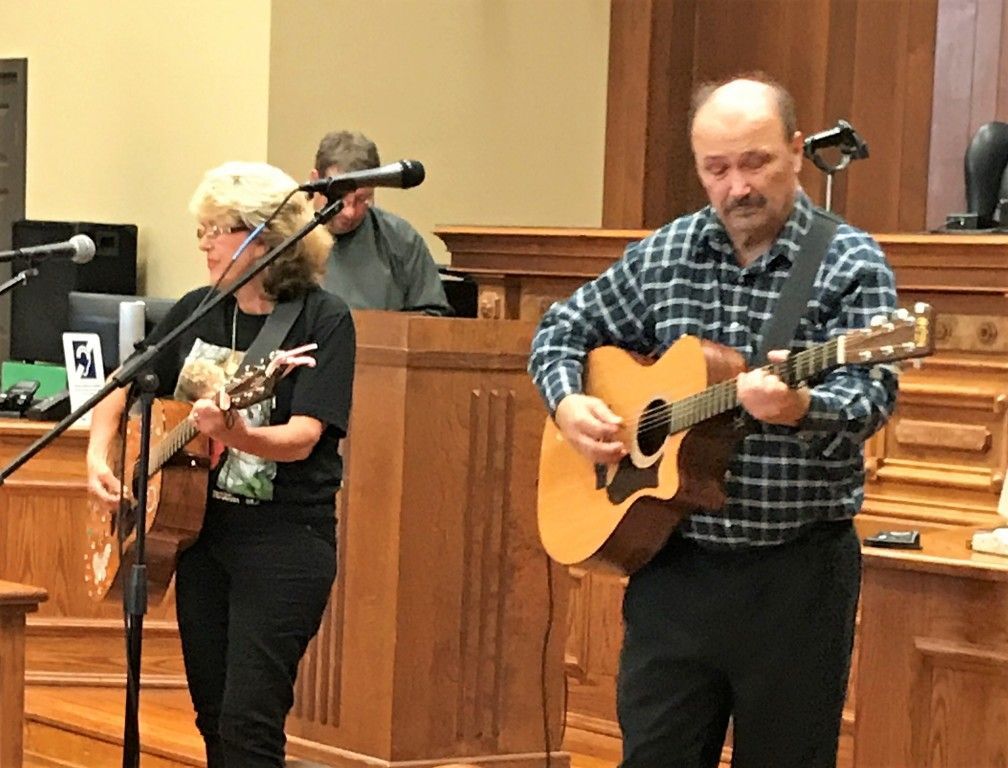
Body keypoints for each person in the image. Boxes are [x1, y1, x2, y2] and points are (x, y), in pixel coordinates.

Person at [528, 74, 898, 767]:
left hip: (795, 576)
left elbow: (871, 396)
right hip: (673, 564)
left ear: (796, 150)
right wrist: (569, 402)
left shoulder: (848, 261)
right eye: (716, 169)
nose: (737, 187)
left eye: (755, 163)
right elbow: (560, 330)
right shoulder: (666, 253)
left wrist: (802, 408)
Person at [86, 161, 355, 767]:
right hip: (200, 540)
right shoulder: (196, 309)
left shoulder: (323, 318)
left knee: (248, 722)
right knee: (212, 718)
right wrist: (99, 457)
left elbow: (303, 438)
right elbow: (118, 387)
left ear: (265, 236)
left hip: (284, 542)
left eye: (218, 229)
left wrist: (239, 434)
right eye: (201, 230)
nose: (204, 243)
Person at [308, 129, 452, 315]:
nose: (350, 212)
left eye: (362, 199)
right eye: (340, 198)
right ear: (315, 180)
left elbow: (433, 318)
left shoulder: (400, 240)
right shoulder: (285, 237)